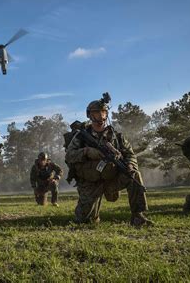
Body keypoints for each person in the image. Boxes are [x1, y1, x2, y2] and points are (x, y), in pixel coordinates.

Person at [65, 94, 153, 227]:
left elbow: (130, 154)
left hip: (111, 179)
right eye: (96, 113)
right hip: (90, 183)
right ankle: (91, 212)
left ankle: (138, 216)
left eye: (103, 113)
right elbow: (69, 156)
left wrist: (130, 164)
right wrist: (86, 152)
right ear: (89, 115)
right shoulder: (81, 137)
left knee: (133, 174)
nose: (100, 117)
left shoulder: (116, 137)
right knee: (85, 221)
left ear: (106, 114)